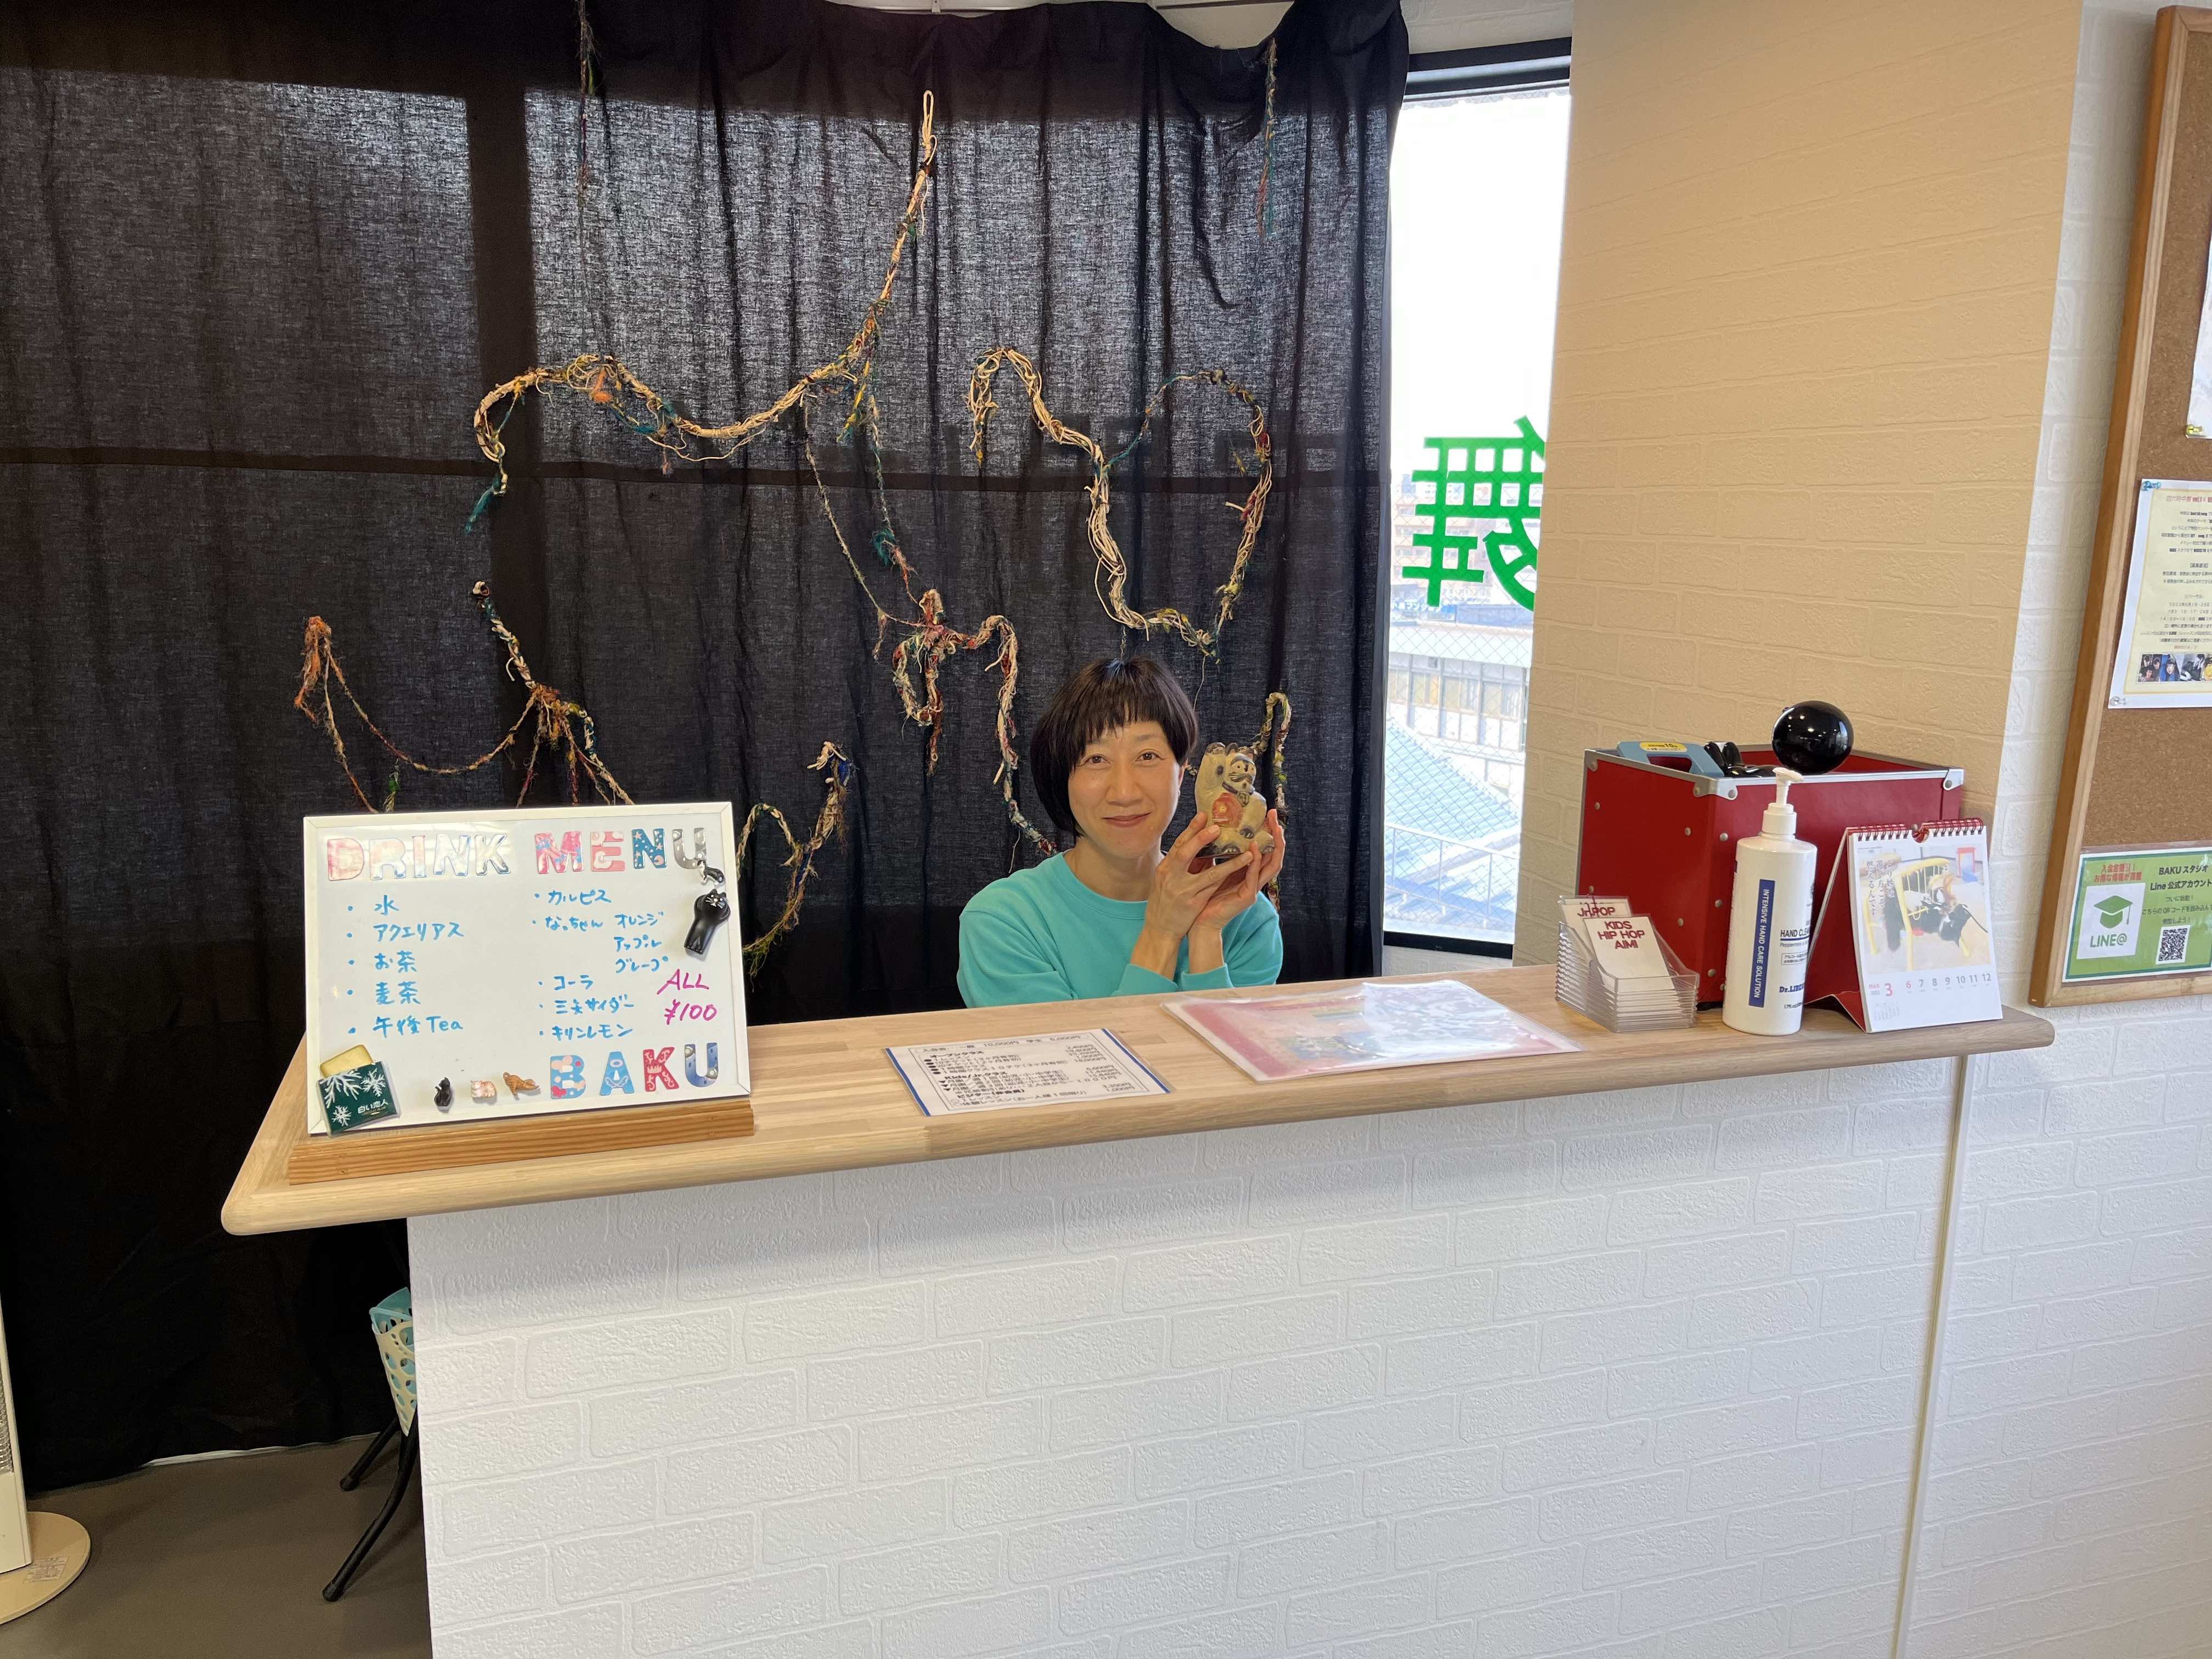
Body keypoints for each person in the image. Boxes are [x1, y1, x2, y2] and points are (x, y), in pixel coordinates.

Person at [958, 657, 1285, 1007]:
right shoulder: (1003, 922)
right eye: (1096, 759)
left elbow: (1222, 1044)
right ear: (1062, 778)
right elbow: (1082, 1047)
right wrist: (1162, 933)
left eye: (1148, 756)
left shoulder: (1245, 917)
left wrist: (1207, 931)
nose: (1125, 793)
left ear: (1180, 775)